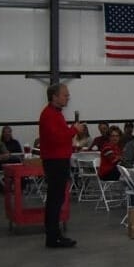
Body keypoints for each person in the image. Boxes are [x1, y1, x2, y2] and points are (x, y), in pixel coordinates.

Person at [37, 83, 85, 248]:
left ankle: (55, 234)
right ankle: (53, 236)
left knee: (56, 199)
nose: (67, 97)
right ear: (54, 97)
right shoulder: (49, 115)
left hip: (58, 159)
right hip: (55, 161)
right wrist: (73, 130)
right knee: (55, 200)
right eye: (65, 95)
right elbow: (57, 138)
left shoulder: (56, 114)